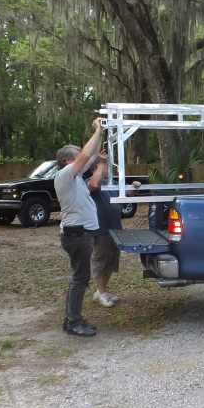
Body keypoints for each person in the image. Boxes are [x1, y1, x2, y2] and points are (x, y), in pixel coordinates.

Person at [53, 119, 103, 337]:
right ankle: (73, 321)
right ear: (66, 161)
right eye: (77, 155)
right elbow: (86, 156)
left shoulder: (76, 178)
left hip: (81, 233)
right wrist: (98, 129)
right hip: (77, 235)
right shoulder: (65, 175)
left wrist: (102, 133)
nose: (82, 158)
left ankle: (72, 319)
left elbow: (90, 156)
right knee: (80, 278)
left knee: (80, 277)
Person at [87, 155, 140, 307]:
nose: (108, 169)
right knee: (100, 261)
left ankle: (101, 291)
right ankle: (101, 292)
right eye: (105, 167)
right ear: (96, 168)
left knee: (111, 261)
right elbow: (93, 185)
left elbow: (126, 193)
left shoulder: (112, 183)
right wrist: (100, 164)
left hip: (115, 228)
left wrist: (134, 187)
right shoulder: (90, 182)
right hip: (100, 229)